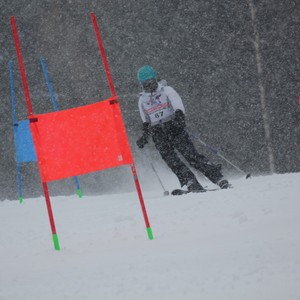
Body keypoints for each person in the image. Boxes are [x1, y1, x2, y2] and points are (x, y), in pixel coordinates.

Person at [136, 65, 230, 193]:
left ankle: (217, 177)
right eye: (145, 84)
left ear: (155, 79)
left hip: (173, 127)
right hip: (158, 132)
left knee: (190, 155)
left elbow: (178, 107)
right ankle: (189, 181)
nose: (149, 86)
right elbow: (146, 120)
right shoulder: (142, 100)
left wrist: (179, 120)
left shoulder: (167, 90)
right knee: (171, 159)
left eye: (151, 82)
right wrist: (144, 136)